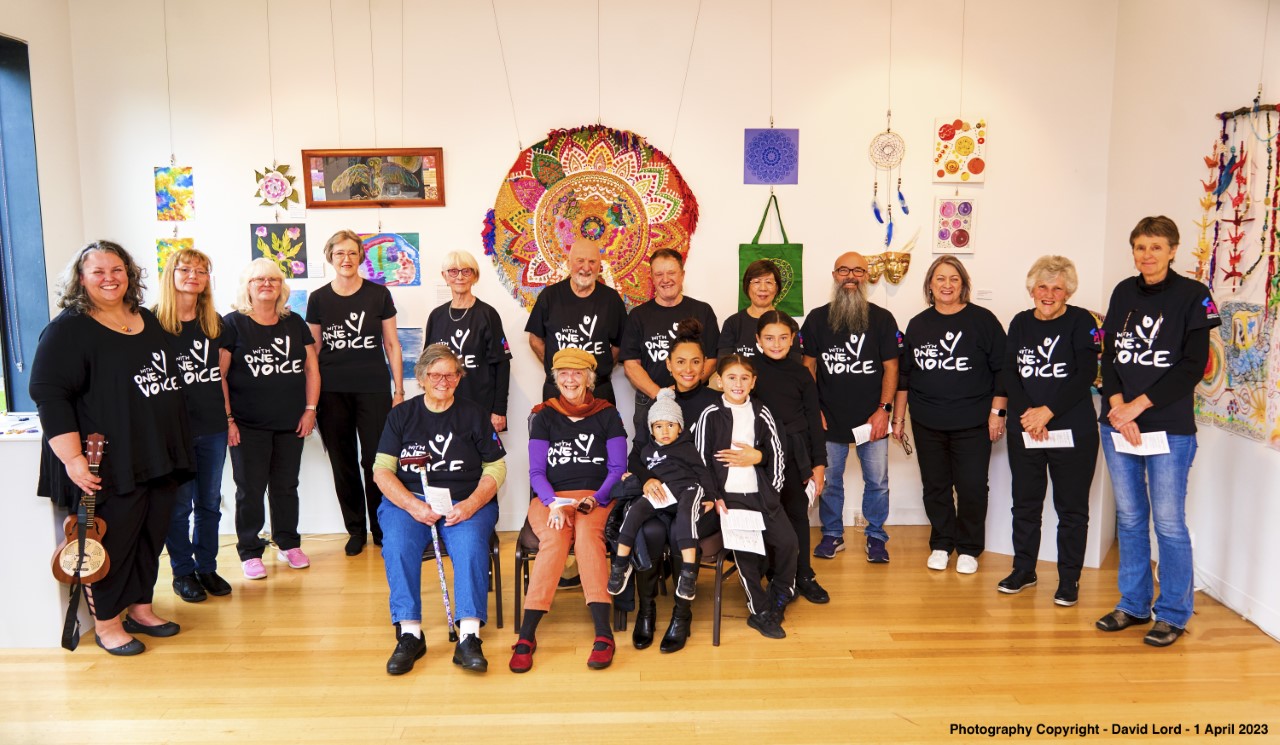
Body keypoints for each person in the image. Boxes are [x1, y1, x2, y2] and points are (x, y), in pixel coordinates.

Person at [31, 241, 194, 655]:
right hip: (108, 459)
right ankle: (106, 624)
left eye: (117, 269)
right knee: (112, 541)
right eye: (98, 271)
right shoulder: (68, 329)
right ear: (80, 279)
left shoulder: (144, 319)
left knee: (149, 536)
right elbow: (50, 395)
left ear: (130, 274)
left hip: (156, 452)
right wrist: (71, 458)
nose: (110, 278)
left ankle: (140, 607)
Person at [1094, 216, 1219, 648]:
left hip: (1168, 428)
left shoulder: (1193, 296)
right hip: (1118, 425)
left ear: (1172, 250)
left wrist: (1136, 407)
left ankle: (1172, 614)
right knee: (1129, 519)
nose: (1147, 254)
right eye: (1140, 246)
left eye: (1156, 247)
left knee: (1168, 523)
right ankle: (1133, 604)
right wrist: (1116, 407)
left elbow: (1191, 367)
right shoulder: (1123, 291)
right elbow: (1109, 357)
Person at [373, 344, 507, 675]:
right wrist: (412, 505)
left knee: (470, 545)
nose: (443, 381)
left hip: (464, 501)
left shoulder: (475, 414)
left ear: (459, 378)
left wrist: (473, 503)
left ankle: (469, 637)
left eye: (450, 374)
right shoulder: (401, 415)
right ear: (421, 378)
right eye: (435, 374)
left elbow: (496, 468)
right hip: (411, 501)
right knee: (398, 546)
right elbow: (382, 471)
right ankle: (409, 634)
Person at [512, 348, 627, 673]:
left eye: (577, 373)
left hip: (597, 498)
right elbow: (537, 474)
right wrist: (554, 503)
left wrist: (598, 497)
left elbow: (618, 468)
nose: (570, 379)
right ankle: (526, 636)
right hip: (551, 499)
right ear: (555, 378)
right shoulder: (545, 415)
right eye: (563, 373)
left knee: (589, 537)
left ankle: (603, 635)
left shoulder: (608, 415)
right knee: (556, 538)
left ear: (589, 377)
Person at [893, 255, 1007, 575]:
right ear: (930, 285)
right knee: (935, 487)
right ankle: (942, 543)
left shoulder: (983, 321)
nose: (947, 285)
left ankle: (969, 547)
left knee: (972, 487)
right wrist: (898, 419)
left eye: (953, 279)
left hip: (973, 422)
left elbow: (1003, 371)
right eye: (940, 279)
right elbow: (905, 377)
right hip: (927, 422)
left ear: (963, 285)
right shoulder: (918, 324)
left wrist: (997, 413)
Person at [1000, 256, 1101, 606]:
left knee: (1071, 509)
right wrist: (1030, 414)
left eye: (1057, 287)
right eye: (1042, 286)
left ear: (1067, 292)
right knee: (1025, 504)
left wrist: (1048, 411)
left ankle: (1069, 579)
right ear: (1032, 290)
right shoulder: (1019, 323)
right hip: (1026, 428)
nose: (1049, 293)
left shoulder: (1082, 322)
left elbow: (1085, 374)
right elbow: (1010, 372)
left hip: (1073, 432)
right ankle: (1023, 570)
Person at [623, 318, 722, 653]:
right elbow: (636, 456)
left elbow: (723, 459)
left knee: (686, 528)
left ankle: (682, 614)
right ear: (668, 364)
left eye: (696, 361)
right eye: (680, 361)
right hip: (660, 497)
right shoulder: (658, 403)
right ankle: (647, 610)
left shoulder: (717, 403)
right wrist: (647, 478)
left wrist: (714, 495)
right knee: (648, 533)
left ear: (706, 364)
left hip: (698, 500)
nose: (689, 369)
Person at [222, 258, 320, 580]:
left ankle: (288, 543)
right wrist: (228, 419)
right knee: (249, 490)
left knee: (285, 487)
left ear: (281, 287)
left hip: (290, 423)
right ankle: (249, 550)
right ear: (247, 286)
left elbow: (311, 370)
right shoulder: (232, 324)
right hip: (247, 426)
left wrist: (310, 410)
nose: (267, 284)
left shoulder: (295, 323)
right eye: (259, 279)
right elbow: (219, 376)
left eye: (273, 280)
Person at [306, 230, 403, 556]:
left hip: (374, 389)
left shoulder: (378, 294)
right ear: (330, 258)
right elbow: (314, 351)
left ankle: (380, 527)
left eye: (351, 253)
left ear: (360, 256)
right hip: (332, 392)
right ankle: (356, 530)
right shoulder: (318, 299)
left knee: (376, 461)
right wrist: (311, 399)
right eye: (339, 254)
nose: (346, 259)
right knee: (342, 462)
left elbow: (391, 343)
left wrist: (399, 390)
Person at [803, 252, 901, 564]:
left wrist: (884, 409)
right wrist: (812, 408)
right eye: (844, 270)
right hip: (829, 418)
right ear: (834, 275)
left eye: (858, 270)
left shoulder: (882, 319)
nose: (851, 276)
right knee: (830, 480)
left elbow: (892, 368)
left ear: (867, 277)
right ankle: (832, 534)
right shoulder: (817, 319)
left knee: (878, 482)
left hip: (871, 418)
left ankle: (876, 536)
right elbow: (808, 367)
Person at [693, 355, 797, 639]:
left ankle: (780, 595)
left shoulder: (762, 412)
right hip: (730, 498)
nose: (737, 384)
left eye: (744, 378)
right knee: (747, 553)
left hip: (762, 494)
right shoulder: (710, 414)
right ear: (719, 381)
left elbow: (777, 453)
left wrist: (768, 481)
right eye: (731, 377)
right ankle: (760, 611)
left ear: (753, 382)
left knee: (788, 543)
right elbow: (701, 461)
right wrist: (713, 496)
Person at [154, 247, 233, 603]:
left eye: (201, 271)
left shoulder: (215, 324)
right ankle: (182, 572)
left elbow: (220, 377)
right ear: (171, 274)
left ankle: (207, 567)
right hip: (173, 431)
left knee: (209, 504)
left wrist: (228, 419)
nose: (193, 276)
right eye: (185, 269)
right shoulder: (151, 323)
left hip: (212, 426)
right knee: (179, 506)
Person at [607, 389, 722, 602]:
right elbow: (638, 467)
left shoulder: (687, 447)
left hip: (688, 487)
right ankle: (620, 565)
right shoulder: (646, 452)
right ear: (651, 429)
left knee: (686, 518)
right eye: (659, 426)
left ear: (680, 427)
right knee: (635, 511)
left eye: (671, 425)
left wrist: (711, 496)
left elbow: (703, 471)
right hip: (664, 492)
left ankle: (688, 573)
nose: (665, 431)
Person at [751, 311, 829, 604]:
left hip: (796, 454)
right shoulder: (750, 370)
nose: (776, 343)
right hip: (761, 454)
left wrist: (818, 464)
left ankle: (804, 574)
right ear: (758, 339)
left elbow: (813, 421)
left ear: (793, 340)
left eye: (783, 338)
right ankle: (773, 573)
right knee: (767, 514)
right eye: (769, 338)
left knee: (797, 514)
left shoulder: (801, 374)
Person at [620, 248, 718, 434]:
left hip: (694, 398)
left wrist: (683, 388)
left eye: (671, 273)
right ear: (652, 278)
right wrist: (661, 395)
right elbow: (631, 364)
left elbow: (712, 359)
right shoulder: (638, 316)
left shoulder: (702, 311)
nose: (666, 279)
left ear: (682, 275)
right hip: (649, 399)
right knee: (648, 454)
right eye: (659, 274)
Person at [525, 238, 627, 403]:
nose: (586, 268)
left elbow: (620, 345)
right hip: (558, 390)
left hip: (598, 391)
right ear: (569, 263)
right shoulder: (550, 296)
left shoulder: (611, 300)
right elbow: (535, 340)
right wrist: (557, 368)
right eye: (580, 261)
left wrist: (599, 370)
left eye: (592, 262)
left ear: (599, 266)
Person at [424, 250, 512, 432]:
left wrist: (499, 410)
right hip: (442, 406)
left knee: (480, 458)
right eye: (453, 271)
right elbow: (427, 367)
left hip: (480, 406)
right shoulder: (436, 316)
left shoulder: (487, 315)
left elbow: (502, 365)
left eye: (466, 271)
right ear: (445, 276)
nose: (460, 277)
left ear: (475, 276)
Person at [718, 259, 799, 361]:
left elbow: (796, 365)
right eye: (756, 282)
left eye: (769, 282)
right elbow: (723, 364)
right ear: (747, 286)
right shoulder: (732, 324)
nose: (763, 288)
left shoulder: (789, 324)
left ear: (777, 288)